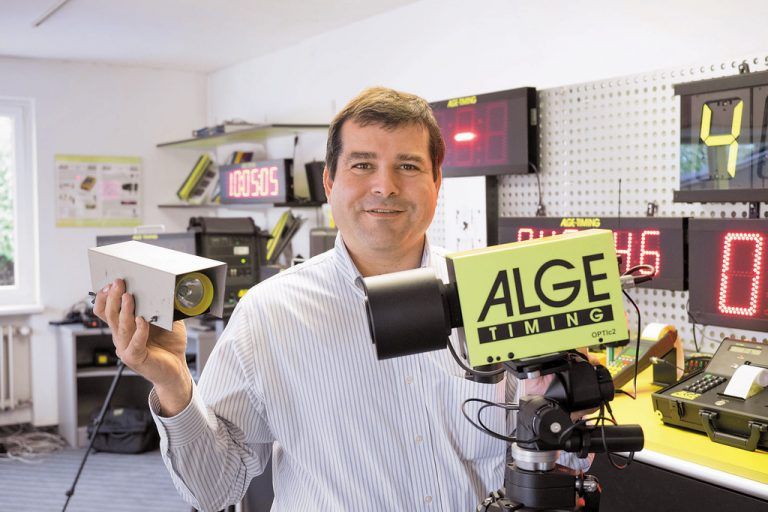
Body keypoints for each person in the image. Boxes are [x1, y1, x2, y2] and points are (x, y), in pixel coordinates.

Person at [93, 87, 587, 511]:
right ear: (330, 182)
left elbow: (560, 463)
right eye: (362, 164)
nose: (385, 186)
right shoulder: (268, 314)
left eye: (408, 165)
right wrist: (174, 382)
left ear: (437, 181)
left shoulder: (500, 294)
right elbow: (214, 488)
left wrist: (567, 401)